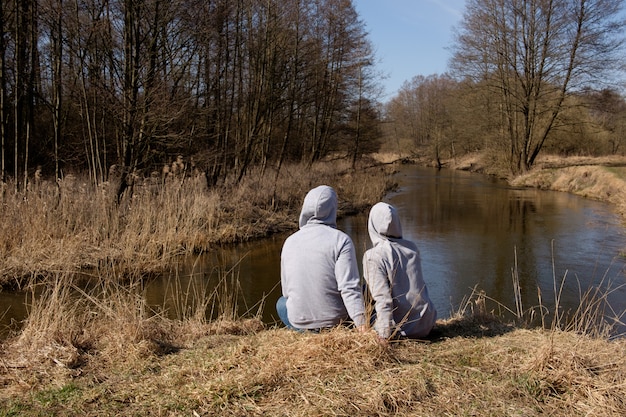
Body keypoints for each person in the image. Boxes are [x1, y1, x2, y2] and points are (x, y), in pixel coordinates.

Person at [276, 185, 366, 332]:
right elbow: (348, 287)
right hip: (336, 324)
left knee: (281, 303)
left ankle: (304, 332)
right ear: (333, 209)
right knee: (365, 290)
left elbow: (287, 292)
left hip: (300, 324)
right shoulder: (341, 240)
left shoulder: (289, 241)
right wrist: (362, 324)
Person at [363, 202, 436, 341]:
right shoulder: (412, 248)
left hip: (403, 329)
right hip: (426, 323)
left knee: (360, 292)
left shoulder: (373, 256)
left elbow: (383, 299)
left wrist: (384, 335)